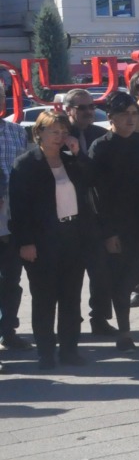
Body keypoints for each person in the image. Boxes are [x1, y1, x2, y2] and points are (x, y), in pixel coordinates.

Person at [9, 110, 99, 368]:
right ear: (39, 133)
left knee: (71, 298)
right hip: (42, 241)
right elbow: (20, 208)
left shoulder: (70, 161)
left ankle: (70, 350)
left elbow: (95, 178)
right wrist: (26, 242)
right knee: (45, 299)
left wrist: (79, 154)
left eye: (63, 132)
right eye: (54, 132)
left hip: (73, 237)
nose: (59, 137)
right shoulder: (26, 164)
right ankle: (46, 353)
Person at [88, 92, 139, 349]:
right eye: (124, 114)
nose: (130, 118)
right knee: (122, 282)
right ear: (111, 117)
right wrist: (108, 232)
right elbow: (95, 195)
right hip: (118, 228)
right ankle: (124, 334)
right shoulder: (100, 147)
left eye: (134, 113)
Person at [61, 89, 116, 336]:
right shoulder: (59, 137)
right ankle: (71, 325)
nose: (88, 112)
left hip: (97, 217)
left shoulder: (101, 136)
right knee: (70, 277)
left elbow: (102, 176)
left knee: (101, 273)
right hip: (68, 219)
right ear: (67, 109)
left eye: (91, 106)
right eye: (81, 107)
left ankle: (100, 319)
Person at [0, 111, 30, 355]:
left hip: (11, 221)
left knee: (11, 282)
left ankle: (8, 332)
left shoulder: (17, 132)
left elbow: (26, 173)